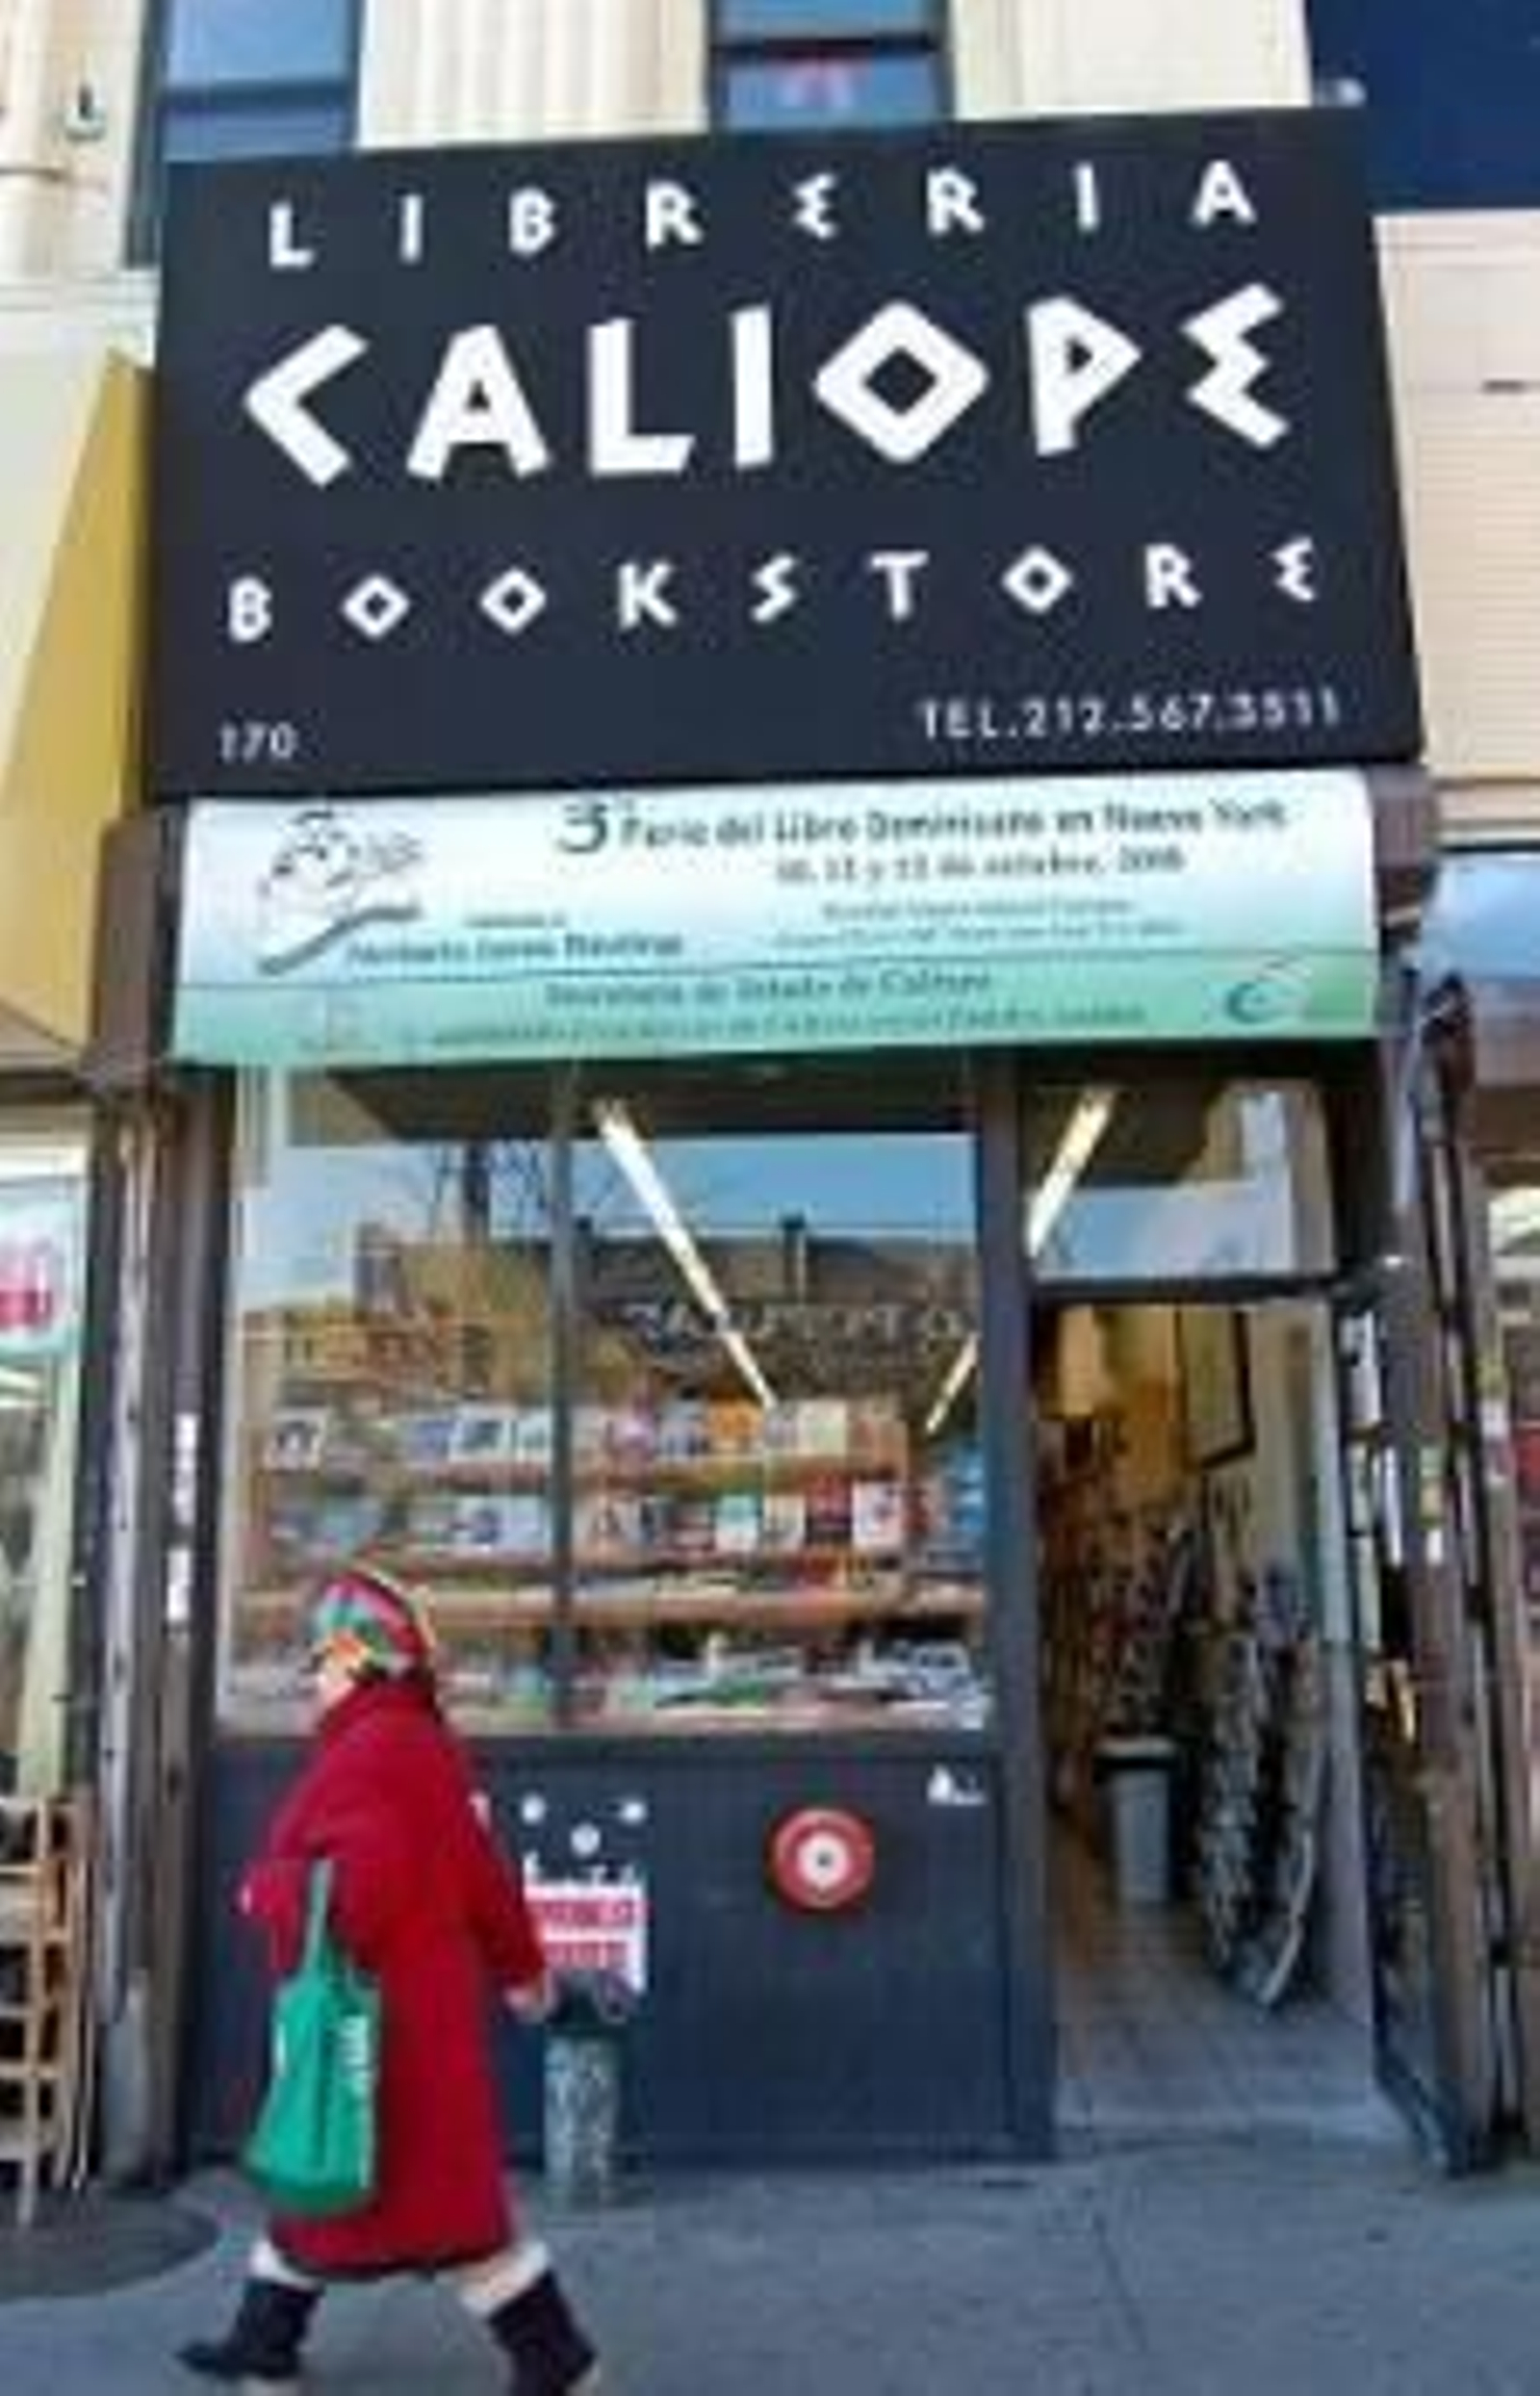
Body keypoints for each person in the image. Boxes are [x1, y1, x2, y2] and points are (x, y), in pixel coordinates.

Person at [179, 1564, 600, 2395]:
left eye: (322, 1664)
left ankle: (558, 2363)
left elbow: (358, 1890)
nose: (313, 1682)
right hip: (417, 2022)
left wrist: (264, 1889)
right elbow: (484, 1879)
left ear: (361, 1664)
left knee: (346, 2177)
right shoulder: (424, 1747)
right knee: (383, 2196)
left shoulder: (368, 1753)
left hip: (371, 2029)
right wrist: (524, 1975)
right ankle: (265, 2342)